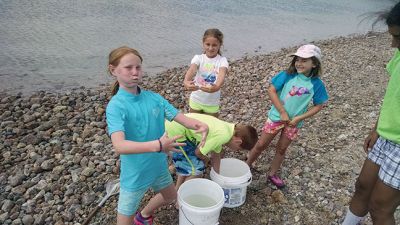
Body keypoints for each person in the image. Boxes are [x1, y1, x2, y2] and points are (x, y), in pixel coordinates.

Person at [105, 46, 208, 225]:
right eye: (128, 67)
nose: (135, 72)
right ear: (113, 70)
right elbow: (119, 145)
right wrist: (158, 145)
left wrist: (201, 125)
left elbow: (181, 118)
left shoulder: (154, 98)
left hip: (158, 167)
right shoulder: (116, 106)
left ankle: (144, 215)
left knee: (171, 197)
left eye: (138, 67)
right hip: (135, 174)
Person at [341, 3, 400, 225]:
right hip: (385, 137)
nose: (394, 44)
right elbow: (392, 96)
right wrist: (377, 128)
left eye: (399, 37)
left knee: (380, 207)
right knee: (363, 187)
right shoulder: (399, 57)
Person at [246, 44, 328, 189]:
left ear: (314, 63)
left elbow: (319, 105)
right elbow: (271, 90)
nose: (299, 63)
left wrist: (299, 118)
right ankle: (246, 165)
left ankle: (272, 173)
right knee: (261, 144)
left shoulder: (316, 84)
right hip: (276, 117)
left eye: (304, 60)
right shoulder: (287, 75)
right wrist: (282, 112)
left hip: (293, 123)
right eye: (298, 59)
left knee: (282, 148)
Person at [165, 113, 258, 190]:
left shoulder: (228, 129)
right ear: (238, 141)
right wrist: (205, 159)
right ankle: (181, 199)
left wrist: (218, 179)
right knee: (197, 170)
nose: (235, 150)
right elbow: (198, 153)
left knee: (188, 164)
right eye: (238, 149)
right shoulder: (223, 136)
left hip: (179, 126)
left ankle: (177, 190)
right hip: (177, 133)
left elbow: (216, 156)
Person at [183, 28, 228, 117]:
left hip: (212, 103)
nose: (210, 48)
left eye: (214, 45)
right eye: (208, 44)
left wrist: (217, 86)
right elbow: (192, 69)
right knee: (194, 126)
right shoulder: (198, 58)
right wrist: (186, 81)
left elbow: (222, 74)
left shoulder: (222, 60)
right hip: (196, 99)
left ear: (220, 45)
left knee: (211, 128)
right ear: (203, 43)